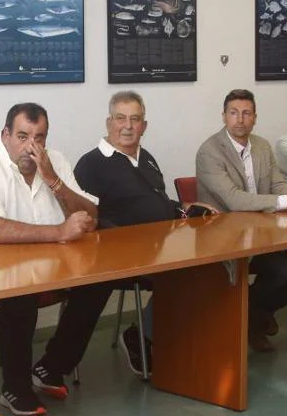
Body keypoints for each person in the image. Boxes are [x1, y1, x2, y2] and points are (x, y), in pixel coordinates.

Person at [0, 103, 108, 416]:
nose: (31, 147)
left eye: (39, 137)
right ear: (5, 134)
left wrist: (54, 181)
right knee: (18, 292)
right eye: (22, 137)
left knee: (98, 281)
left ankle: (51, 367)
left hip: (44, 261)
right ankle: (15, 387)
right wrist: (60, 230)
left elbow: (92, 215)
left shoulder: (55, 162)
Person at [74, 90, 217, 373]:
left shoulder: (146, 157)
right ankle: (141, 337)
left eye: (135, 119)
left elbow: (156, 202)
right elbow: (86, 219)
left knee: (209, 266)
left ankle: (163, 337)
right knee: (185, 273)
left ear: (144, 126)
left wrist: (185, 208)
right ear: (108, 122)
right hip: (119, 255)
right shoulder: (91, 164)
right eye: (120, 118)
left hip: (160, 247)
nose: (127, 126)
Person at [196, 89, 287, 352]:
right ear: (224, 116)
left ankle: (254, 312)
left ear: (255, 117)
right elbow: (234, 200)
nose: (240, 119)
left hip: (264, 231)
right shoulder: (210, 151)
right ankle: (253, 316)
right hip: (225, 237)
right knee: (281, 269)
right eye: (234, 113)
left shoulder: (262, 146)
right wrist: (284, 202)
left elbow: (277, 182)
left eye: (246, 113)